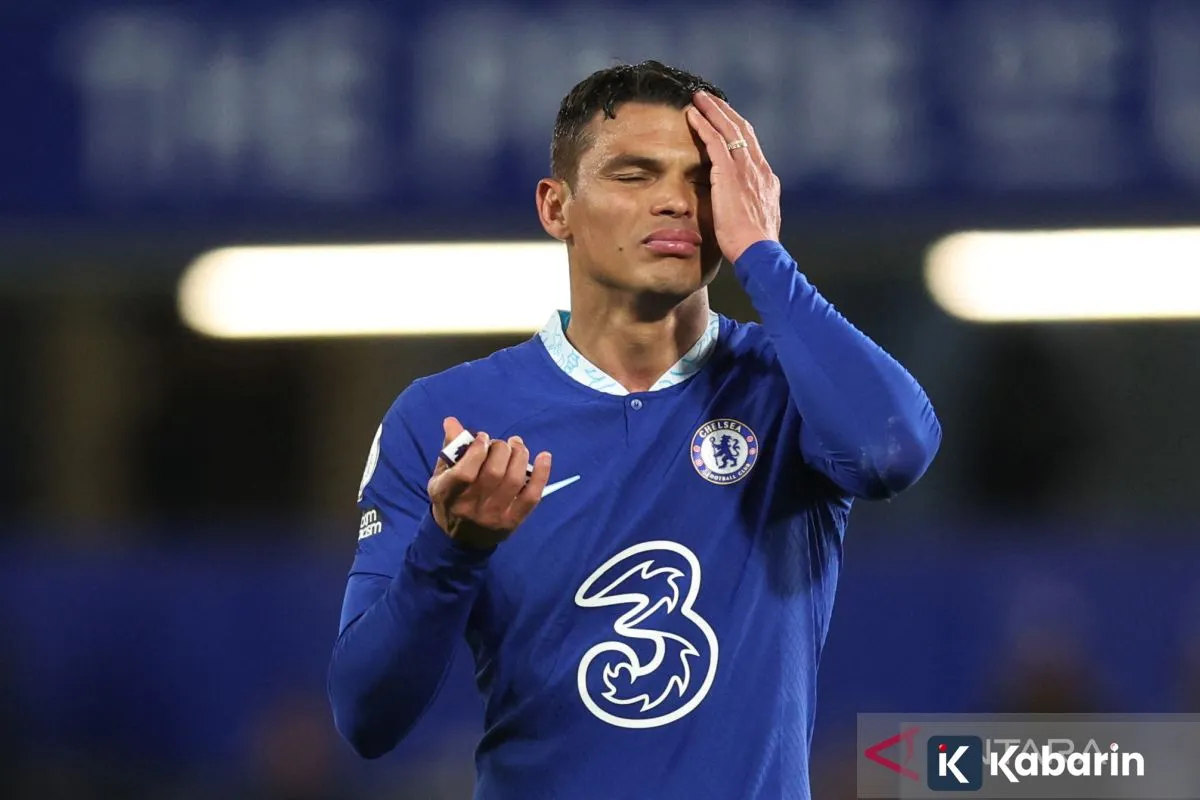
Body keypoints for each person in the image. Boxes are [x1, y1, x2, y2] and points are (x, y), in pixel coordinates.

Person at [327, 60, 942, 799]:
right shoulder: (446, 418)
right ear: (557, 208)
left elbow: (892, 451)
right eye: (634, 175)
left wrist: (762, 254)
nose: (676, 201)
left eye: (703, 180)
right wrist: (451, 551)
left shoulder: (788, 387)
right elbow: (365, 716)